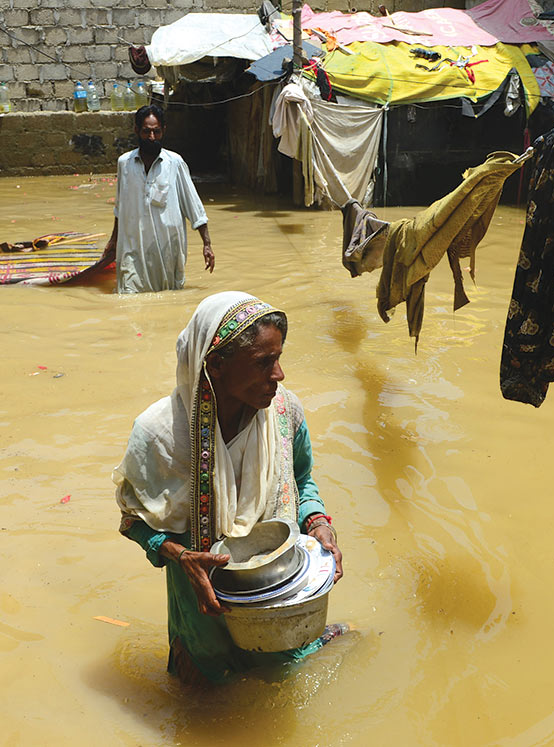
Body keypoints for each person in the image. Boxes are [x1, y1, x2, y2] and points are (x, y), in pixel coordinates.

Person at [113, 291, 344, 685]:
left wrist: (318, 522)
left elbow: (303, 481)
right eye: (263, 363)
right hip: (201, 608)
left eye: (279, 358)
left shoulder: (285, 412)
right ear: (215, 366)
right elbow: (134, 521)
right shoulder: (160, 435)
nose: (279, 375)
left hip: (274, 594)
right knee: (204, 703)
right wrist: (182, 555)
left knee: (280, 687)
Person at [102, 105, 215, 293]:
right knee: (129, 297)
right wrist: (113, 241)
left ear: (164, 131)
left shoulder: (175, 163)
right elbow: (120, 207)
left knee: (167, 295)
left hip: (167, 249)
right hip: (133, 247)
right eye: (146, 132)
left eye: (156, 132)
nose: (152, 137)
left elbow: (193, 205)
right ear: (136, 130)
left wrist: (207, 244)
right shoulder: (125, 163)